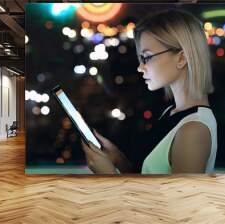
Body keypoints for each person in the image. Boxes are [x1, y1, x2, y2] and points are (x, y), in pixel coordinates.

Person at [81, 9, 217, 174]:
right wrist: (119, 160)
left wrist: (108, 174)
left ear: (181, 58)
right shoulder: (173, 113)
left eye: (147, 57)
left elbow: (179, 200)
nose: (140, 67)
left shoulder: (193, 130)